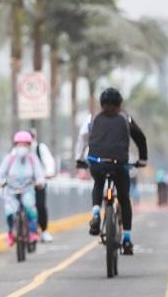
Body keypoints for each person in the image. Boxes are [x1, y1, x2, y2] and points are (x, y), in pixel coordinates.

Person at [74, 87, 147, 255]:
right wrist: (142, 160)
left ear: (101, 103)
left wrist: (79, 159)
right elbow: (140, 138)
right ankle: (127, 239)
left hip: (96, 162)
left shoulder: (92, 118)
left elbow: (82, 139)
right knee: (123, 198)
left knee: (98, 184)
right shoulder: (126, 118)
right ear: (120, 104)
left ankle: (96, 213)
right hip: (119, 163)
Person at [0, 131, 45, 246]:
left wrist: (40, 182)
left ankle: (33, 233)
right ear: (16, 145)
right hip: (11, 190)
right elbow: (0, 173)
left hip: (27, 189)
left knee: (30, 208)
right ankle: (10, 233)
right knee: (10, 212)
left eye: (25, 145)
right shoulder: (10, 159)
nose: (22, 147)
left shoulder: (33, 159)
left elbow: (39, 174)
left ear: (29, 145)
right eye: (20, 145)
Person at [28, 128, 56, 242]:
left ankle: (44, 231)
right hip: (24, 184)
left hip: (38, 182)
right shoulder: (18, 151)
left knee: (40, 205)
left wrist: (49, 173)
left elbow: (49, 161)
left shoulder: (40, 148)